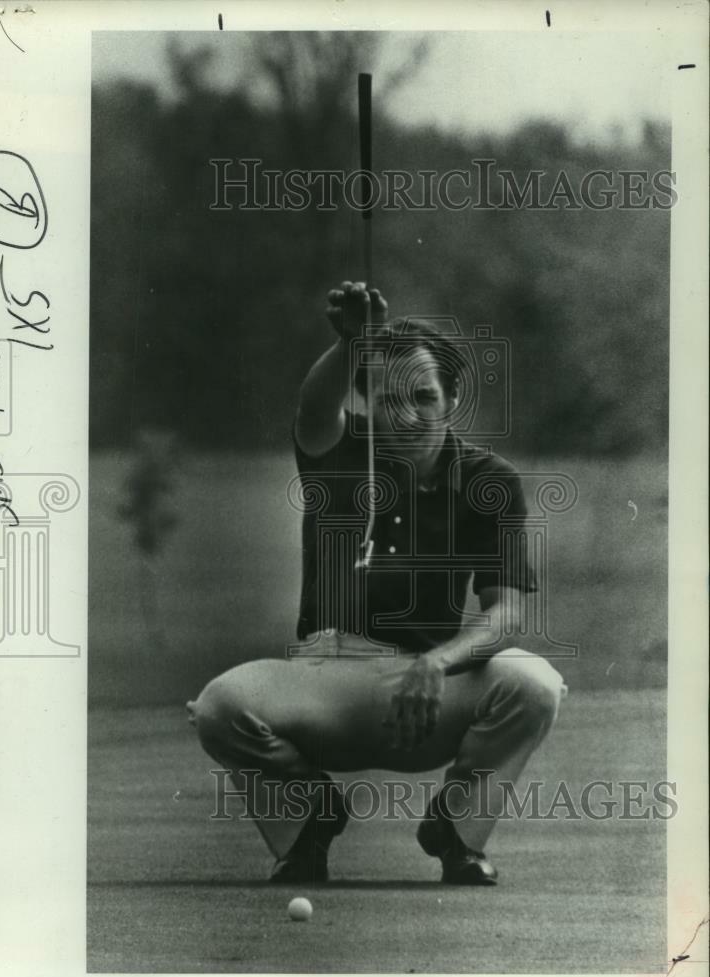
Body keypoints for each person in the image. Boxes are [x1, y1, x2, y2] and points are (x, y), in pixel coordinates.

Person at [187, 281, 566, 886]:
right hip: (324, 683)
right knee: (219, 707)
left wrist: (438, 665)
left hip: (423, 695)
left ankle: (454, 831)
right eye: (388, 399)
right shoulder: (337, 452)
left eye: (424, 396)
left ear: (452, 397)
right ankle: (310, 818)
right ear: (365, 400)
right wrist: (351, 344)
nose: (407, 414)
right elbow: (314, 409)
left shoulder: (489, 480)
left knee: (535, 683)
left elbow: (507, 614)